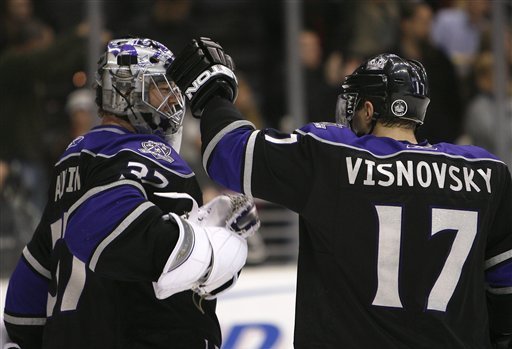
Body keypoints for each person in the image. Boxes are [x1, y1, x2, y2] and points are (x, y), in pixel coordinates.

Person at [167, 38, 512, 348]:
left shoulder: (332, 155)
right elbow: (505, 284)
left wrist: (213, 94)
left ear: (368, 109)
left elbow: (228, 153)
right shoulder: (485, 172)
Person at [3, 37, 259, 349]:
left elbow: (26, 296)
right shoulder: (151, 156)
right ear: (125, 91)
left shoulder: (72, 160)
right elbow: (119, 235)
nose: (175, 101)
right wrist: (211, 244)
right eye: (163, 88)